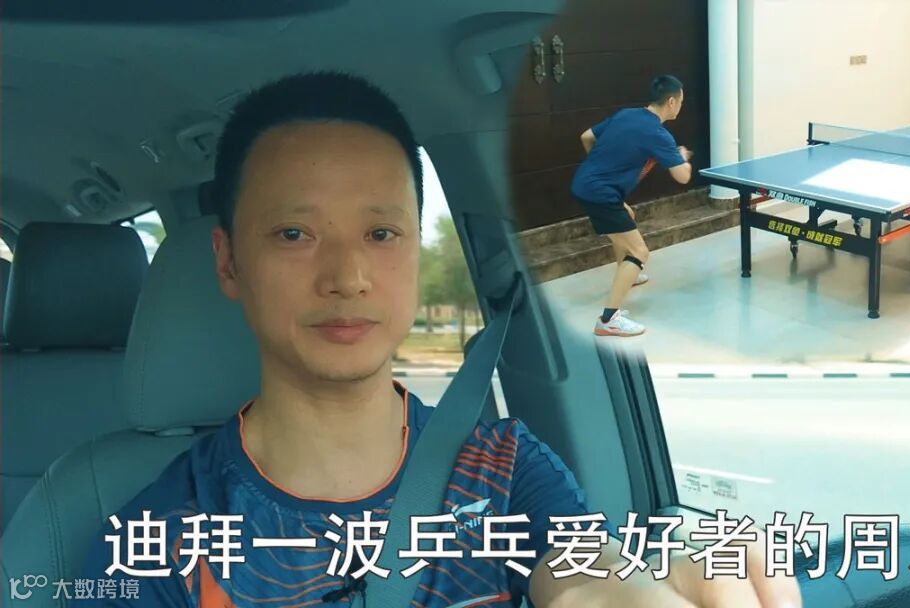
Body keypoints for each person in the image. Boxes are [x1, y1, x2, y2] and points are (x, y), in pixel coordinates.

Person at [76, 72, 799, 608]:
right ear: (229, 262)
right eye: (294, 233)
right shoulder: (159, 540)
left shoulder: (506, 468)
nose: (348, 277)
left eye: (381, 232)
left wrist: (636, 589)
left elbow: (587, 575)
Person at [570, 75, 694, 338]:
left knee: (628, 215)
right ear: (671, 102)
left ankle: (628, 273)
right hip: (600, 194)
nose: (681, 106)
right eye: (681, 101)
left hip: (585, 185)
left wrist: (600, 168)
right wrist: (682, 157)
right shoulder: (658, 135)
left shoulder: (626, 114)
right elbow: (683, 177)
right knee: (640, 252)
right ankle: (608, 320)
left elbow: (586, 137)